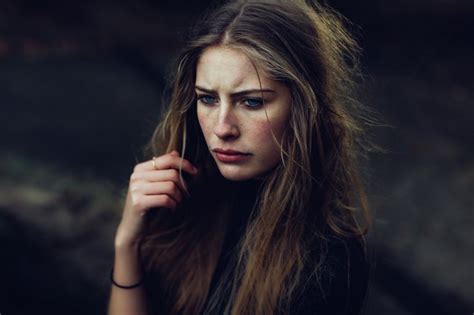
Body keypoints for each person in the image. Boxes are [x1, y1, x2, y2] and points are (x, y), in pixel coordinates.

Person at [108, 0, 377, 314]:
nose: (222, 128)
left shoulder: (328, 259)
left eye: (251, 102)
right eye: (207, 99)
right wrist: (126, 244)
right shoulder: (179, 205)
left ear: (303, 106)